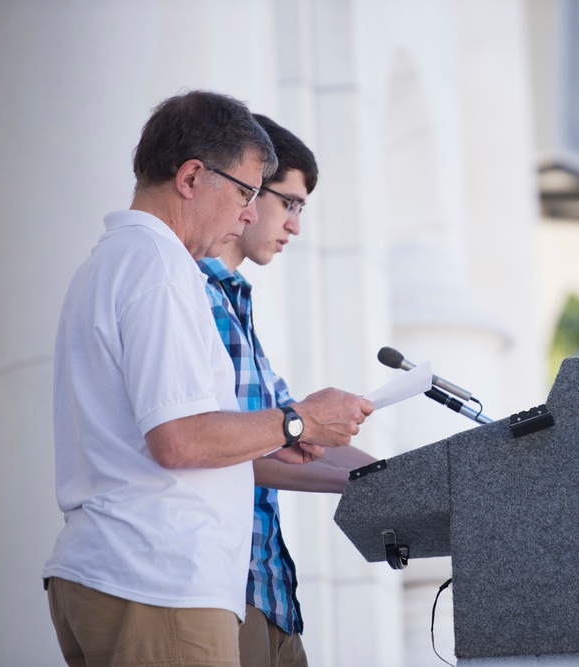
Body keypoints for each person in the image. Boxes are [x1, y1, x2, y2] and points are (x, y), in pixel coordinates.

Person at [42, 91, 374, 667]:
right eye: (247, 192)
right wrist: (297, 421)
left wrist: (282, 433)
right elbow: (179, 440)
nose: (250, 213)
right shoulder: (160, 266)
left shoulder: (113, 260)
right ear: (192, 177)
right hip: (159, 580)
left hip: (123, 575)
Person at [197, 114, 376, 667]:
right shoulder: (188, 295)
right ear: (246, 188)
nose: (295, 226)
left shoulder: (235, 304)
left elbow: (303, 433)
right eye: (289, 203)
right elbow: (212, 448)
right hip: (222, 590)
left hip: (271, 591)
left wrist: (406, 478)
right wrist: (364, 487)